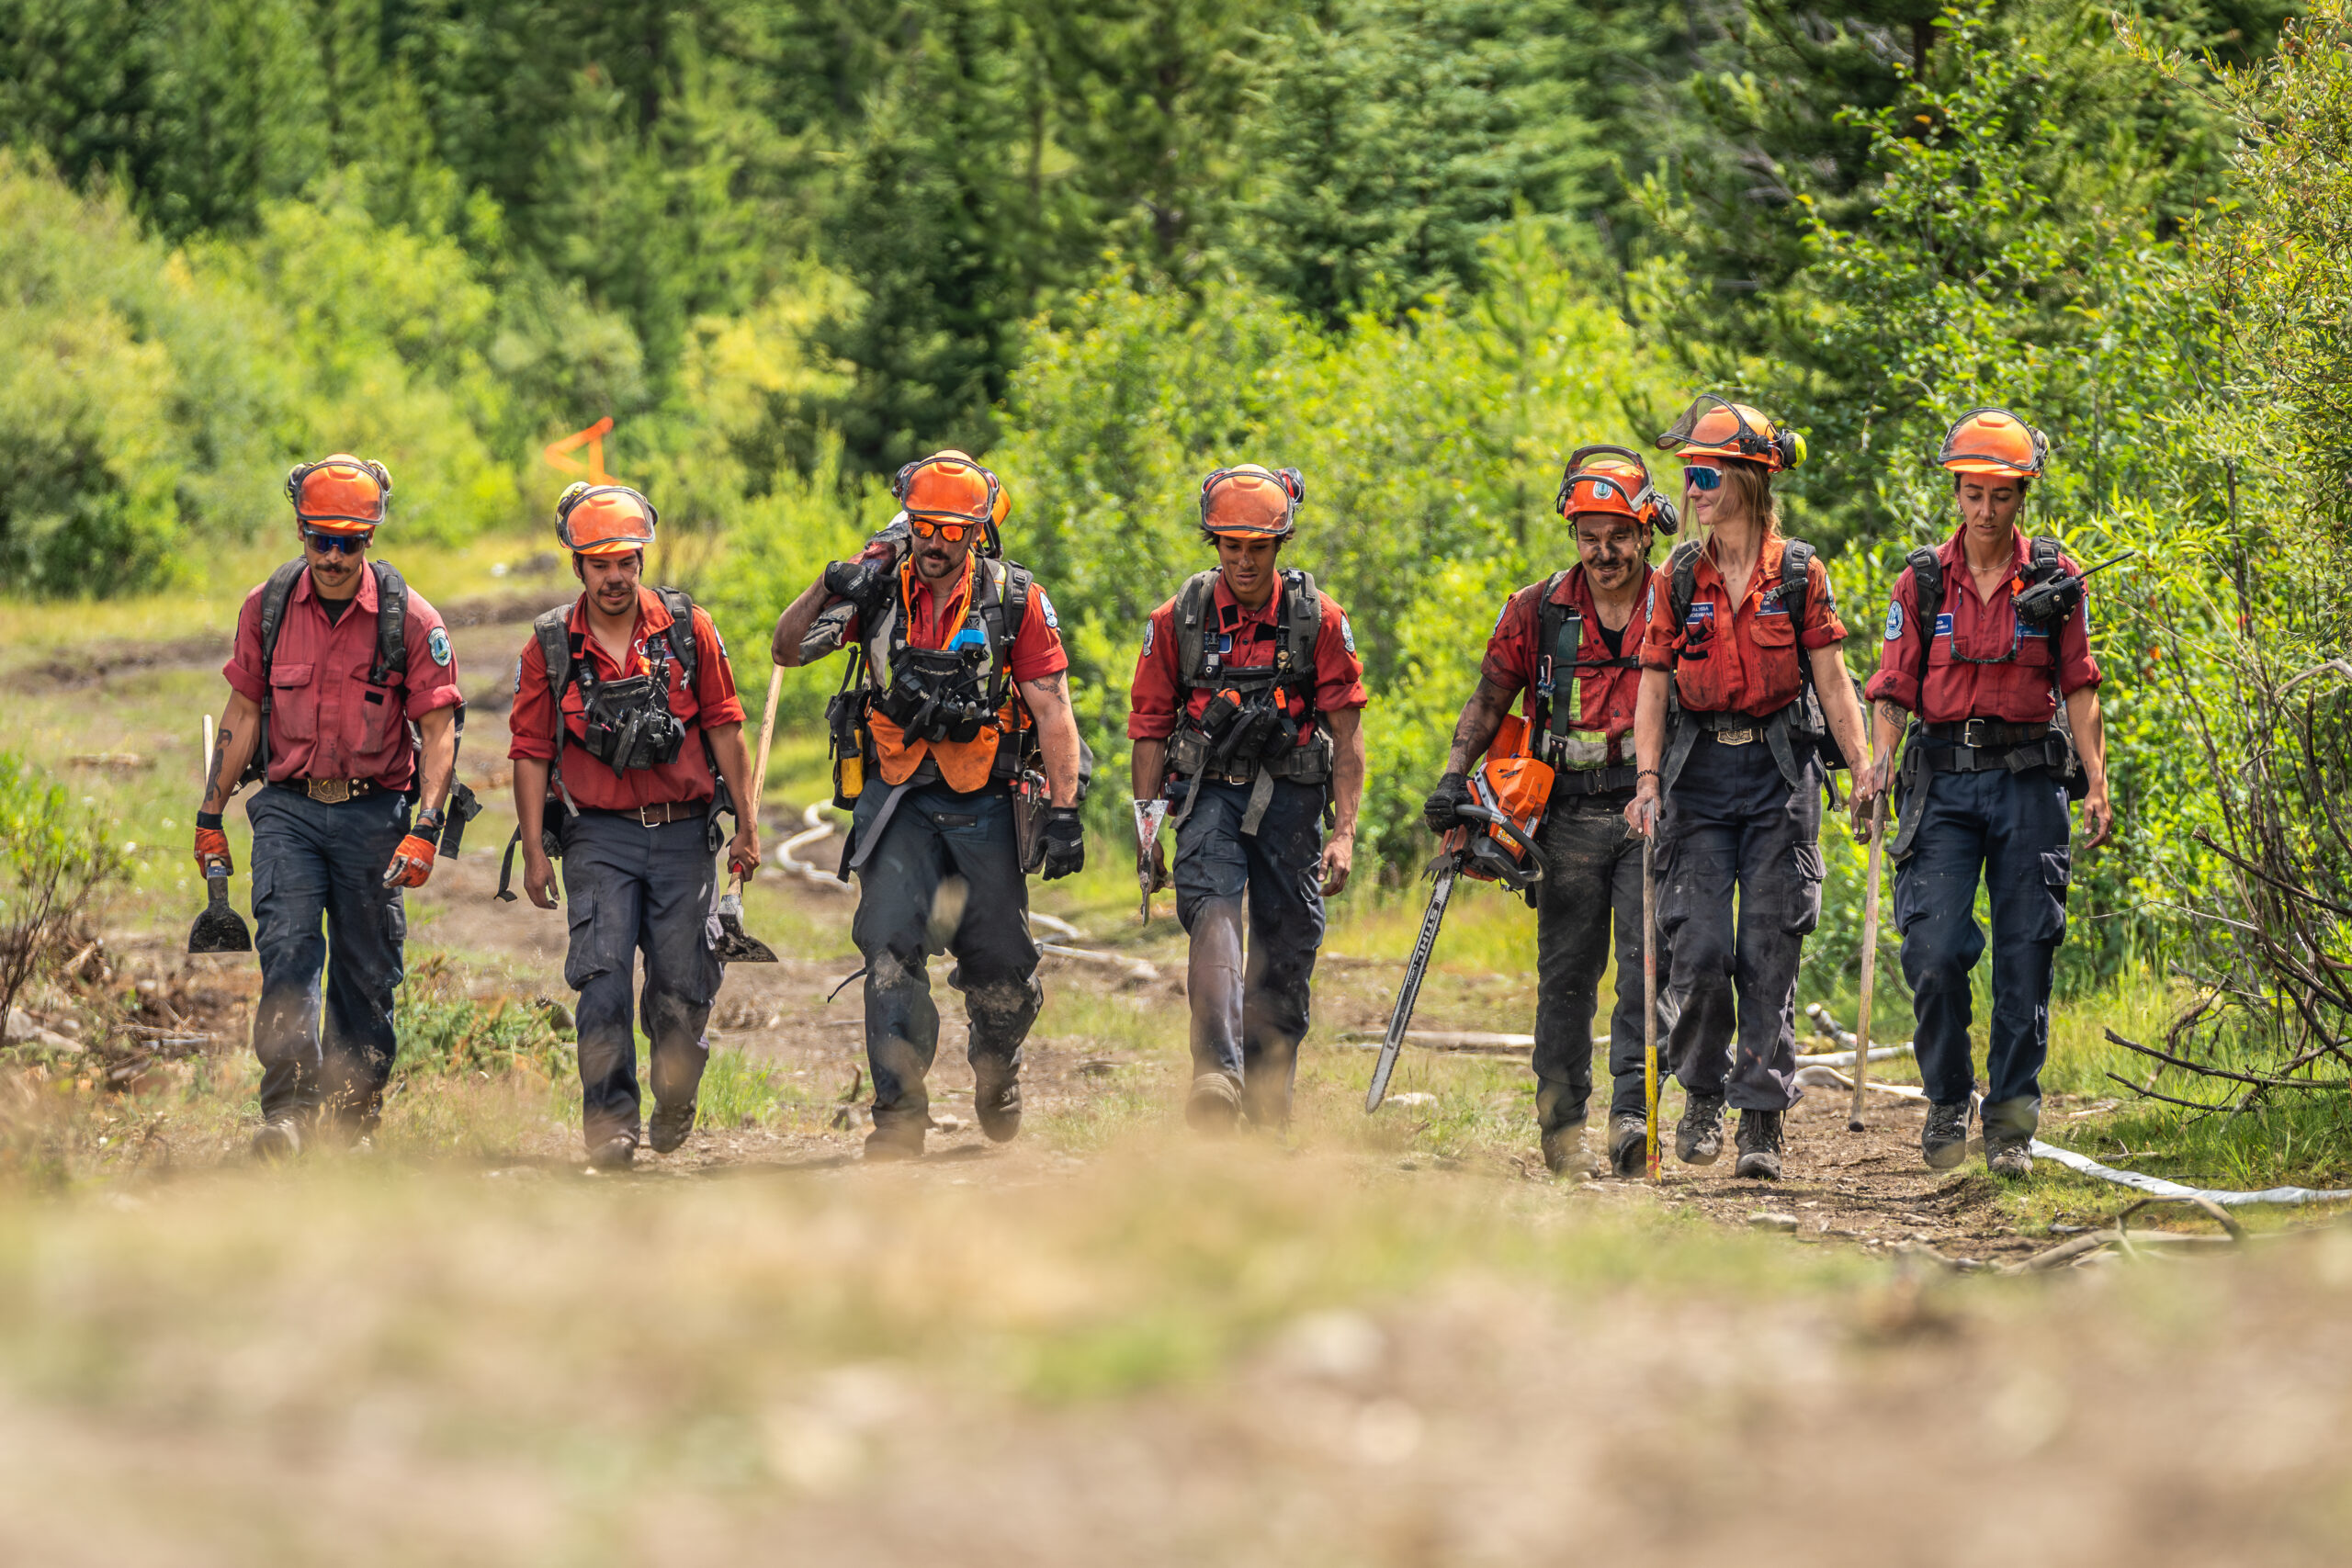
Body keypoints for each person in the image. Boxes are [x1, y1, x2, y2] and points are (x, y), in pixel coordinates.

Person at [770, 451, 1084, 1160]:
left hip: (987, 797)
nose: (935, 543)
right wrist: (827, 585)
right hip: (897, 796)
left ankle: (997, 1063)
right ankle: (899, 1116)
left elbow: (1053, 708)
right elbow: (786, 651)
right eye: (923, 527)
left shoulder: (1014, 600)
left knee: (1002, 969)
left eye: (950, 530)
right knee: (888, 947)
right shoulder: (877, 592)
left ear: (978, 532)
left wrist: (1064, 810)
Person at [1624, 397, 1872, 1180]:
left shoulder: (1801, 573)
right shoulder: (1676, 577)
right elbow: (1655, 685)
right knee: (1696, 949)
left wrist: (1864, 769)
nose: (1692, 487)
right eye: (1688, 471)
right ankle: (1701, 1090)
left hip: (1777, 776)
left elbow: (1833, 683)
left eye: (1705, 472)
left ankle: (1761, 1119)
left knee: (1770, 951)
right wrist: (1646, 779)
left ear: (1749, 479)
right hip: (1696, 781)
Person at [1861, 409, 2110, 1178]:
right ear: (1957, 492)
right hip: (1941, 782)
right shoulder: (1923, 580)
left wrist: (2097, 781)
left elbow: (2080, 683)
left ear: (2021, 495)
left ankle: (2009, 1124)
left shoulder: (2055, 580)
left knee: (2026, 954)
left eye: (2000, 495)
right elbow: (1892, 687)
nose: (1985, 510)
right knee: (1933, 949)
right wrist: (1877, 766)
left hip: (2031, 782)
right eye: (1972, 494)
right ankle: (1946, 1098)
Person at [196, 455, 464, 1158]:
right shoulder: (268, 608)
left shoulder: (412, 621)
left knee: (366, 970)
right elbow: (245, 709)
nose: (335, 556)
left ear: (371, 539)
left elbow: (439, 733)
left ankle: (352, 1119)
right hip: (287, 808)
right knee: (286, 946)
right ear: (301, 532)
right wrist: (210, 813)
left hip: (375, 816)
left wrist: (427, 828)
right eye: (322, 540)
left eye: (350, 541)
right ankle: (286, 1112)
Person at [1425, 447, 1677, 1176]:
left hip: (1647, 808)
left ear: (1645, 530)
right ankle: (1561, 1127)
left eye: (1618, 535)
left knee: (1645, 971)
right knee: (1565, 975)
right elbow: (1490, 696)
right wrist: (1453, 776)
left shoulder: (1676, 602)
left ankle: (1634, 1120)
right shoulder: (1537, 609)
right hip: (1562, 814)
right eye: (1588, 536)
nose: (1604, 552)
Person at [505, 482, 760, 1170]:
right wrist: (534, 850)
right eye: (599, 564)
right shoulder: (552, 645)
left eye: (625, 561)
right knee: (603, 980)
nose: (614, 576)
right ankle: (610, 1125)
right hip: (599, 837)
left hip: (683, 835)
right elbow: (529, 750)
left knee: (683, 986)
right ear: (578, 566)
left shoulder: (686, 628)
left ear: (641, 557)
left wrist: (748, 822)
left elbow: (726, 725)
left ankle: (675, 1094)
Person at [1128, 464, 1368, 1131]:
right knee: (1212, 917)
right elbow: (1149, 728)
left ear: (1279, 545)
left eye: (1256, 547)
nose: (1242, 559)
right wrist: (1148, 832)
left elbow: (1347, 737)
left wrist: (1344, 831)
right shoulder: (1178, 620)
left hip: (1291, 800)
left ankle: (1267, 1095)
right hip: (1209, 796)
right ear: (1214, 543)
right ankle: (1217, 1074)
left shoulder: (1318, 620)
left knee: (1289, 943)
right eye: (1230, 545)